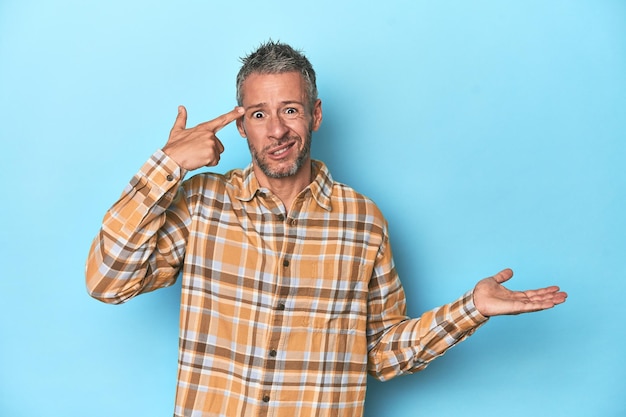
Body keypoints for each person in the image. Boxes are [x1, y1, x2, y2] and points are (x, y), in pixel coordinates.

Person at [86, 40, 567, 417]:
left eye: (290, 109)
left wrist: (472, 309)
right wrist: (168, 164)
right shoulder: (201, 204)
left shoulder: (364, 221)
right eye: (259, 114)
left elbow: (380, 353)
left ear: (315, 114)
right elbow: (107, 281)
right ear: (241, 128)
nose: (276, 130)